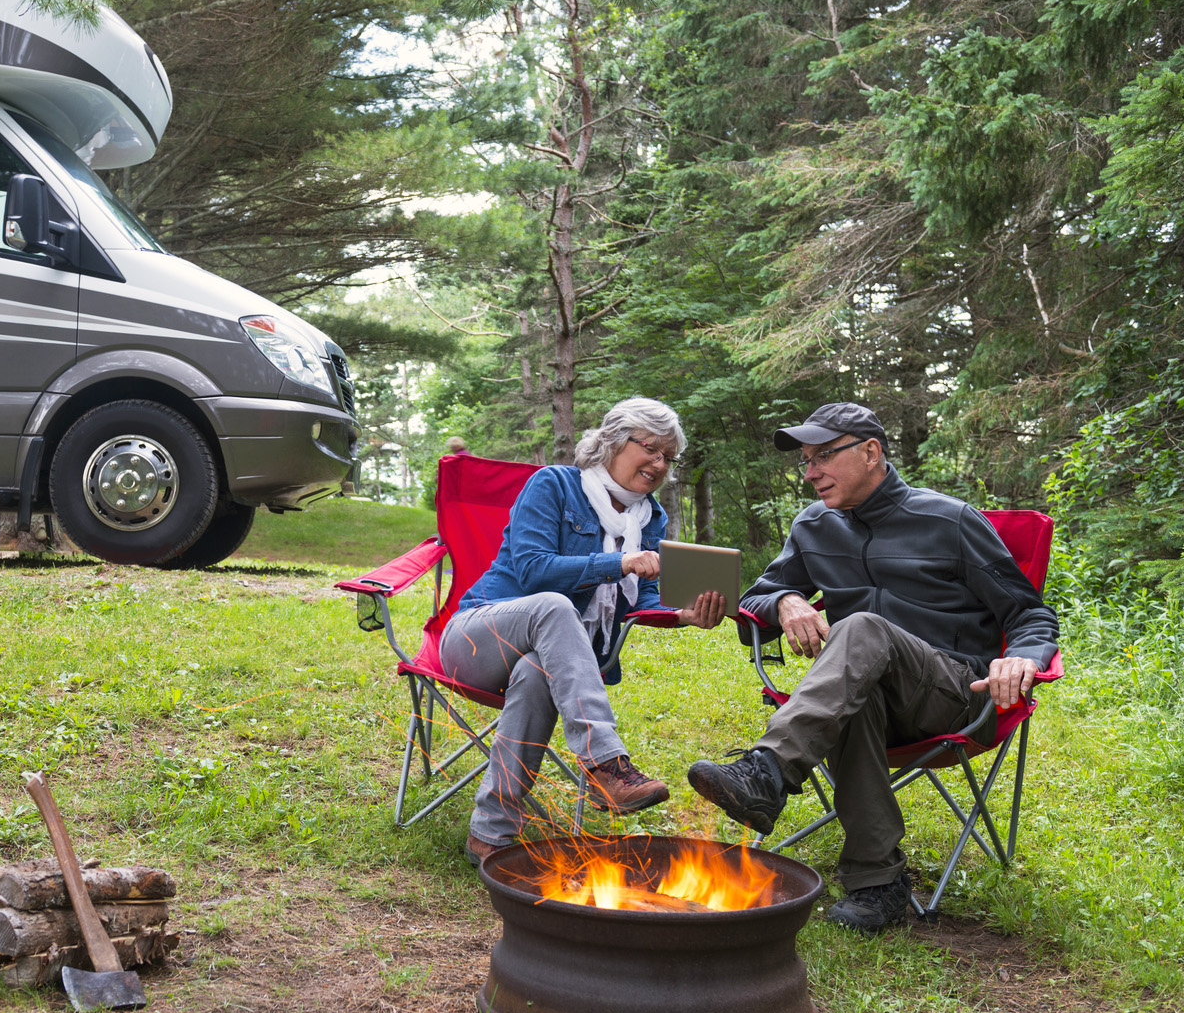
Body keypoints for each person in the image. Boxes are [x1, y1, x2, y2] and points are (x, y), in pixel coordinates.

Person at [679, 403, 1058, 932]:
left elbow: (1029, 612)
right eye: (805, 461)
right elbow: (755, 603)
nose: (810, 473)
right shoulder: (813, 526)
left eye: (822, 457)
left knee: (858, 627)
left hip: (956, 696)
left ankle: (768, 772)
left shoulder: (948, 520)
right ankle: (877, 883)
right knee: (857, 689)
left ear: (871, 452)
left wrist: (1022, 658)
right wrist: (786, 600)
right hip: (858, 695)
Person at [442, 398, 723, 868]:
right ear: (614, 441)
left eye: (668, 457)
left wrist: (684, 615)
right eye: (650, 448)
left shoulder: (650, 519)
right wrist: (618, 562)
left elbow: (645, 601)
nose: (659, 464)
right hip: (478, 636)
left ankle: (489, 834)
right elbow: (532, 571)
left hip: (547, 660)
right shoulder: (553, 485)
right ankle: (604, 764)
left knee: (536, 673)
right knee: (552, 605)